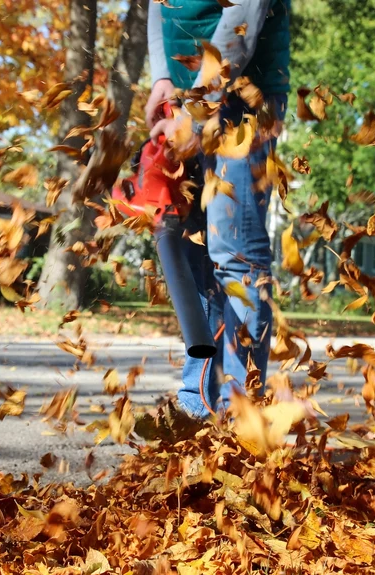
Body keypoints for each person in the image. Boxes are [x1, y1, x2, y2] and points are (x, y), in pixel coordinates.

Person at [145, 0, 290, 420]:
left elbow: (243, 16)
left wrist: (198, 104)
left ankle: (238, 410)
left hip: (244, 94)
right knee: (193, 249)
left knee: (234, 250)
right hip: (187, 91)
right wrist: (163, 77)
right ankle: (198, 401)